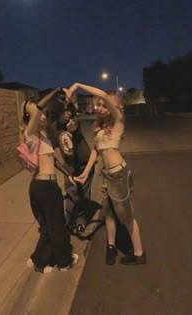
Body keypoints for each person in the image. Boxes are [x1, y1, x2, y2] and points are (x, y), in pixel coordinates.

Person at [68, 82, 146, 266]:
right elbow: (97, 150)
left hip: (119, 175)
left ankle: (139, 253)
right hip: (107, 176)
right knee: (108, 213)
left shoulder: (118, 120)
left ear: (113, 107)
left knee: (126, 217)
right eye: (99, 105)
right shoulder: (100, 127)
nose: (100, 108)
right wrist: (86, 173)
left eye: (104, 105)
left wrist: (77, 85)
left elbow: (103, 94)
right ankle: (111, 247)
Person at [20, 89, 79, 273]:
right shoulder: (30, 134)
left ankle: (39, 260)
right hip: (45, 186)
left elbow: (50, 160)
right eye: (36, 114)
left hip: (40, 186)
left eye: (43, 114)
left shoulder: (42, 137)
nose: (42, 116)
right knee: (58, 226)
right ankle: (64, 262)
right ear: (29, 117)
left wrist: (66, 172)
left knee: (47, 228)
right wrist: (55, 93)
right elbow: (39, 107)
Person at [48, 92, 95, 234]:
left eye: (69, 110)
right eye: (64, 111)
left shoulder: (74, 121)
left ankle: (81, 221)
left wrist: (73, 129)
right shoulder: (53, 128)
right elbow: (54, 150)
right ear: (57, 112)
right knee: (71, 194)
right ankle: (68, 221)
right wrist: (64, 170)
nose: (67, 114)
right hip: (69, 165)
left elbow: (75, 120)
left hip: (85, 162)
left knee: (84, 194)